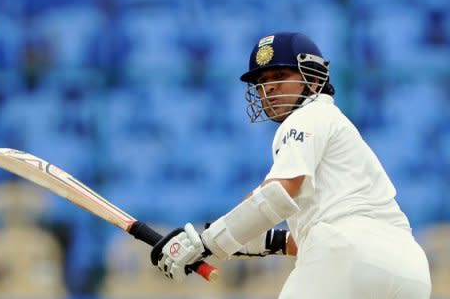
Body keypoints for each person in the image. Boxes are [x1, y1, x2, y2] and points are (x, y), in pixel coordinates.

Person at [149, 32, 432, 298]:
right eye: (261, 81)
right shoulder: (337, 129)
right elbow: (300, 235)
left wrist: (206, 243)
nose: (268, 87)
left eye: (280, 75)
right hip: (411, 271)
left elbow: (277, 194)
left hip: (348, 253)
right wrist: (216, 243)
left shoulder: (307, 116)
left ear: (313, 79)